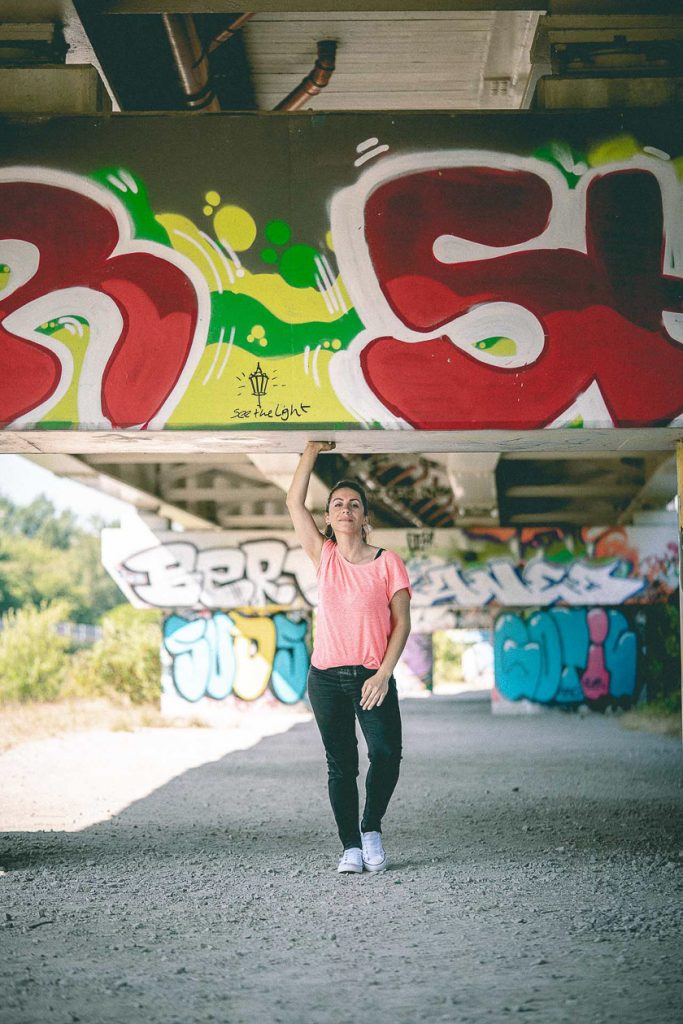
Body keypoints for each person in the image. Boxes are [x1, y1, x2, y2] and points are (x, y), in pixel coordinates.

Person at [286, 441, 412, 874]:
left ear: (363, 517)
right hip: (325, 678)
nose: (345, 509)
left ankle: (371, 828)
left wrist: (384, 673)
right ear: (329, 517)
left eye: (353, 504)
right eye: (337, 504)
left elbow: (403, 624)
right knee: (341, 765)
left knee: (387, 754)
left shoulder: (387, 563)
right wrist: (310, 451)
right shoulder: (325, 557)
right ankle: (350, 848)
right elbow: (292, 502)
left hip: (371, 678)